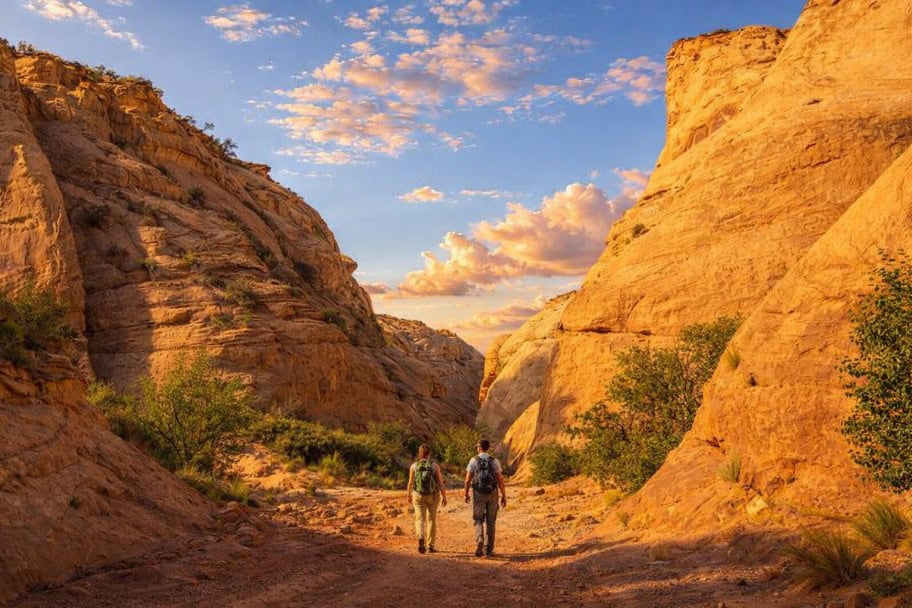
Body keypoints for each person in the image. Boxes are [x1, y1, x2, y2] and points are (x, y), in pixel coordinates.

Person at [464, 438, 507, 557]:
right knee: (491, 522)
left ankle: (479, 540)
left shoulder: (473, 460)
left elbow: (467, 480)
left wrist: (466, 493)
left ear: (478, 448)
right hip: (492, 493)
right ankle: (488, 550)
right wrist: (504, 495)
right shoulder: (494, 461)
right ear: (488, 448)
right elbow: (500, 480)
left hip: (478, 493)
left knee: (478, 519)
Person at [406, 443, 447, 554]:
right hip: (433, 495)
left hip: (418, 495)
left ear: (420, 454)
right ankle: (430, 546)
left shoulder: (414, 466)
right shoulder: (435, 466)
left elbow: (410, 482)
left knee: (420, 519)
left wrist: (408, 495)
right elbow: (440, 483)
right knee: (431, 520)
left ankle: (421, 537)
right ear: (429, 454)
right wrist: (444, 496)